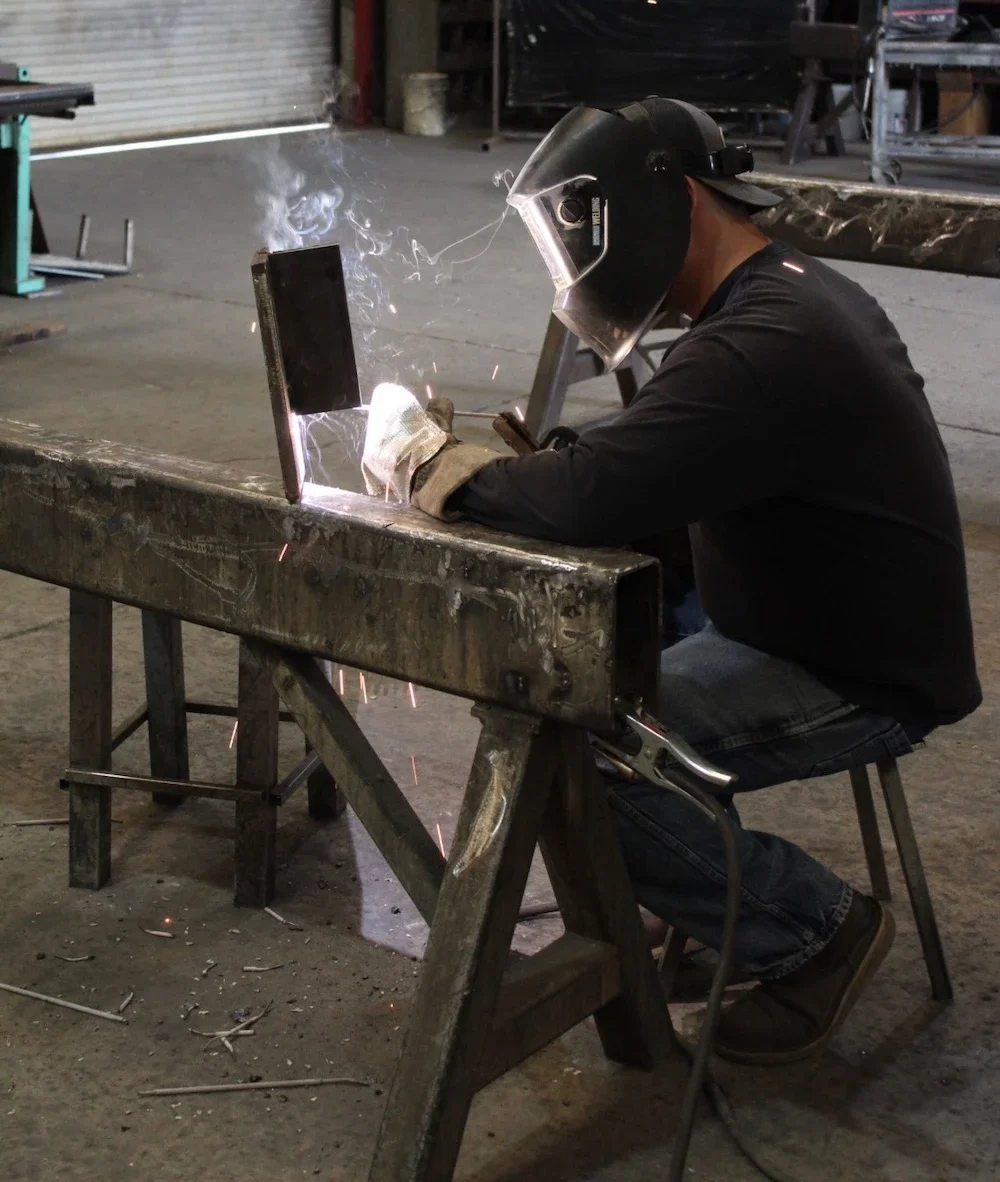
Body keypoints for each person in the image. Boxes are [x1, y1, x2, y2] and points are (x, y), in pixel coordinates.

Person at [362, 97, 980, 1065]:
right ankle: (699, 901)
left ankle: (812, 928)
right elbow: (655, 464)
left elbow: (584, 499)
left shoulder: (764, 342)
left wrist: (437, 470)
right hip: (798, 616)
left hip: (856, 669)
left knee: (580, 750)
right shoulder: (776, 298)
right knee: (603, 661)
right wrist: (553, 470)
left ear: (672, 201)